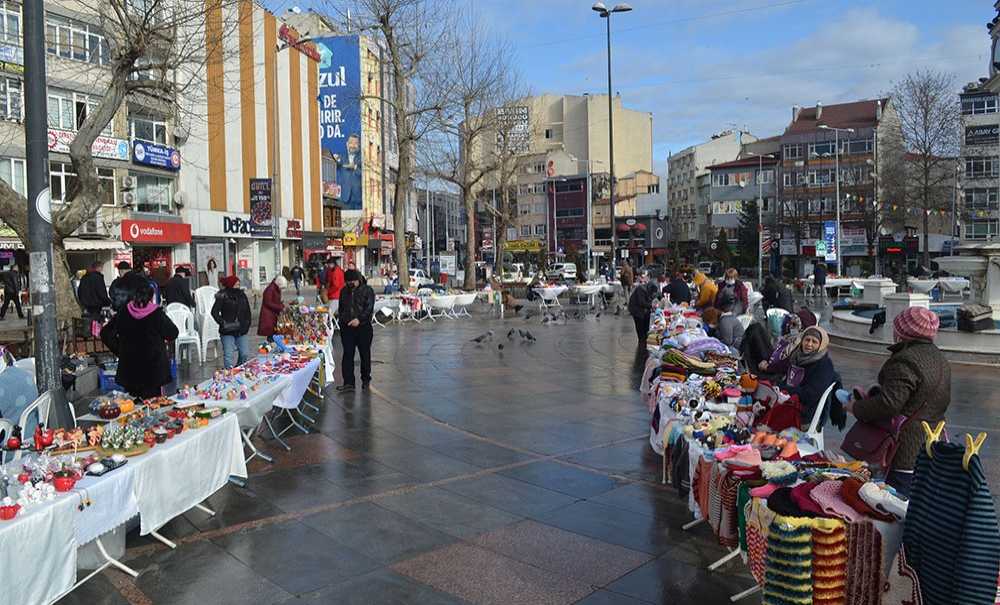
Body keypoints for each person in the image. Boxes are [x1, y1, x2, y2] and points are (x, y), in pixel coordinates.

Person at [845, 307, 950, 496]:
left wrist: (856, 407)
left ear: (902, 332)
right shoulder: (940, 358)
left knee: (897, 501)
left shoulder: (905, 360)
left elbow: (889, 404)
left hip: (905, 448)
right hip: (933, 443)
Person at [100, 274, 178, 399]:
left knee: (132, 408)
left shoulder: (124, 313)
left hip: (130, 370)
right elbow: (173, 333)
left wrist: (120, 350)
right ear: (150, 297)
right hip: (153, 371)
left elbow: (105, 333)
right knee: (153, 406)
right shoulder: (156, 314)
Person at [769, 325, 841, 427]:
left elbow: (810, 395)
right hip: (789, 400)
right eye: (807, 340)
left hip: (806, 411)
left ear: (821, 345)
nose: (809, 344)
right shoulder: (796, 355)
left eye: (814, 342)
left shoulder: (824, 365)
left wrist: (784, 389)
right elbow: (782, 369)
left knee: (766, 420)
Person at [337, 269, 375, 392]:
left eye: (353, 281)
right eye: (348, 281)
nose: (351, 283)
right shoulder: (344, 291)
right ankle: (348, 382)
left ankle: (365, 379)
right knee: (348, 354)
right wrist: (344, 320)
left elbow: (369, 308)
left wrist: (359, 320)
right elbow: (341, 308)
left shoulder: (367, 290)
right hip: (347, 327)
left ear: (359, 280)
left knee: (364, 354)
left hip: (363, 327)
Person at [211, 275, 252, 368]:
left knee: (244, 353)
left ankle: (239, 369)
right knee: (229, 356)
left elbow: (247, 311)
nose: (238, 286)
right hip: (227, 330)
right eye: (236, 284)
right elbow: (214, 312)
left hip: (241, 329)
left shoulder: (242, 295)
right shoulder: (222, 295)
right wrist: (223, 323)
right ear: (231, 284)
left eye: (239, 284)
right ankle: (229, 374)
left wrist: (247, 324)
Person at [258, 275, 287, 341]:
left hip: (272, 313)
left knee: (273, 332)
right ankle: (270, 346)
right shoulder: (270, 289)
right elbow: (268, 302)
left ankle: (273, 344)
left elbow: (274, 300)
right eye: (281, 287)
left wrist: (280, 303)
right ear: (278, 283)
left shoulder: (275, 288)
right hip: (269, 315)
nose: (281, 289)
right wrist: (280, 307)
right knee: (271, 334)